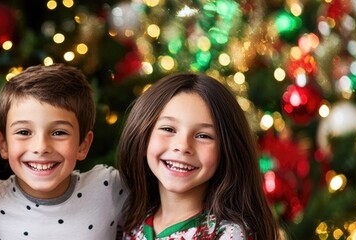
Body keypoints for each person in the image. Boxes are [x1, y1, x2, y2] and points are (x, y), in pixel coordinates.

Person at [0, 64, 126, 239]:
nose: (41, 147)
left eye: (59, 133)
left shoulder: (109, 188)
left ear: (83, 145)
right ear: (3, 144)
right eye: (24, 132)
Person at [117, 73, 279, 239]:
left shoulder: (230, 235)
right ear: (142, 138)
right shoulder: (126, 219)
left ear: (226, 151)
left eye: (203, 136)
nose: (183, 146)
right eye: (168, 129)